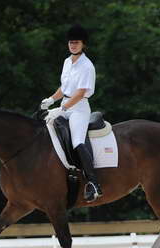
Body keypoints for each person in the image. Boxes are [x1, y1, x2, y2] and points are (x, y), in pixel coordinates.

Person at [40, 24, 102, 203]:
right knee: (45, 129)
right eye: (70, 42)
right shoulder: (67, 62)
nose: (73, 45)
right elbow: (64, 88)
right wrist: (51, 100)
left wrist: (63, 108)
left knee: (77, 142)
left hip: (79, 109)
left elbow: (81, 92)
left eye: (76, 42)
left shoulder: (87, 66)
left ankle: (94, 183)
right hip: (65, 104)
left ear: (83, 44)